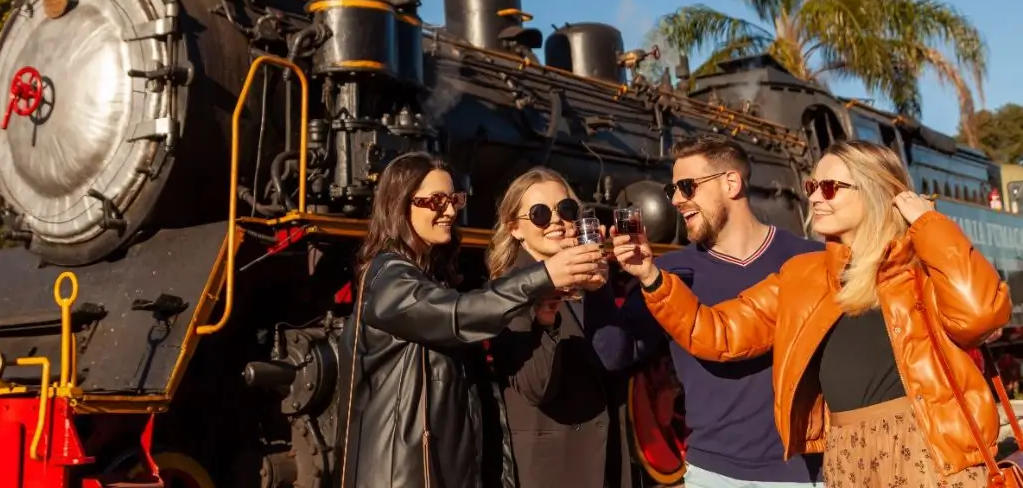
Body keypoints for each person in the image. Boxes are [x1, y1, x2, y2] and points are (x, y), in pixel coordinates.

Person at [618, 139, 1012, 488]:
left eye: (830, 187)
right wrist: (652, 277)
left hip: (928, 449)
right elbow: (719, 333)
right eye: (812, 187)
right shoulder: (804, 273)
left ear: (874, 190)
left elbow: (981, 316)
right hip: (846, 457)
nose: (815, 198)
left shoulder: (922, 265)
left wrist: (930, 224)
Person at [335, 152, 607, 488]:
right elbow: (458, 314)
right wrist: (544, 276)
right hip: (403, 474)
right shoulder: (387, 278)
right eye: (436, 201)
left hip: (435, 467)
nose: (450, 211)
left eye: (454, 199)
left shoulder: (429, 277)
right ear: (400, 205)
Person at [616, 134, 825, 487]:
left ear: (731, 183)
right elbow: (615, 354)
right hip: (711, 474)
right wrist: (593, 287)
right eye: (672, 190)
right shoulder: (667, 272)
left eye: (687, 186)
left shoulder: (809, 260)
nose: (676, 200)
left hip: (802, 474)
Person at [485, 166, 636, 488]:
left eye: (566, 210)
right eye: (539, 214)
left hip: (602, 459)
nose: (556, 221)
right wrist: (546, 314)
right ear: (515, 228)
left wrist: (599, 289)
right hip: (551, 467)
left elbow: (615, 359)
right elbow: (536, 387)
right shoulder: (511, 290)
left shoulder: (585, 282)